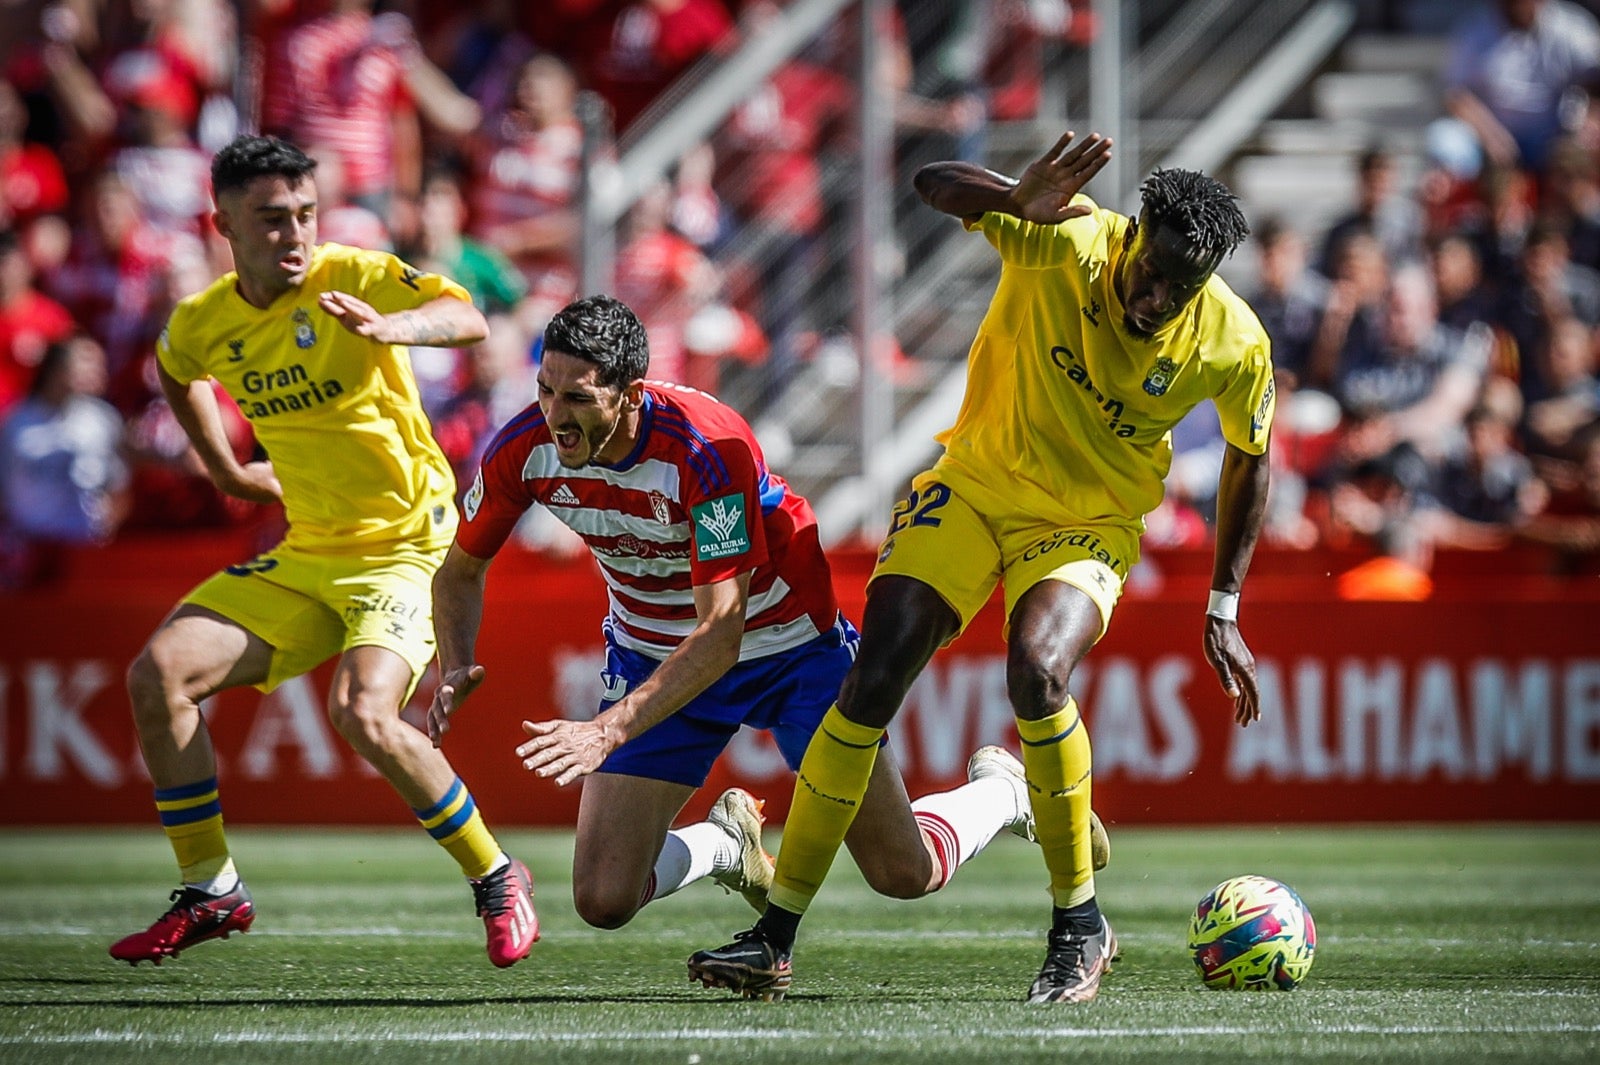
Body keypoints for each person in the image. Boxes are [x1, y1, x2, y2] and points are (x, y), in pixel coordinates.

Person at [688, 130, 1275, 1005]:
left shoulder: (1234, 338)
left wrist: (1223, 600)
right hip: (971, 485)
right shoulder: (1067, 236)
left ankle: (1078, 925)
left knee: (1037, 669)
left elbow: (1250, 457)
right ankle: (774, 936)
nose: (1156, 298)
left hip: (1086, 522)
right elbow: (929, 180)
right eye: (1150, 271)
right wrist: (1008, 195)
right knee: (872, 674)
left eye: (1179, 288)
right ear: (1133, 234)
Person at [428, 295, 1087, 988]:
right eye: (545, 390)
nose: (556, 416)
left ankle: (1000, 794)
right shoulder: (524, 447)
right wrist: (453, 660)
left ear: (631, 394)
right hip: (653, 649)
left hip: (788, 645)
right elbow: (460, 571)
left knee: (903, 870)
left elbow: (721, 633)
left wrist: (608, 729)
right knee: (602, 898)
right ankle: (726, 843)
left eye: (578, 397)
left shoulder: (706, 448)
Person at [108, 135, 538, 971]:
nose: (296, 235)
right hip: (310, 552)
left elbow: (469, 314)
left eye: (305, 214)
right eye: (272, 219)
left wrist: (396, 326)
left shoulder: (353, 274)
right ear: (221, 223)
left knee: (362, 711)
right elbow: (174, 367)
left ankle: (496, 873)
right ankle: (212, 887)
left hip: (406, 550)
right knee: (156, 675)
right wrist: (228, 468)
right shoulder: (207, 322)